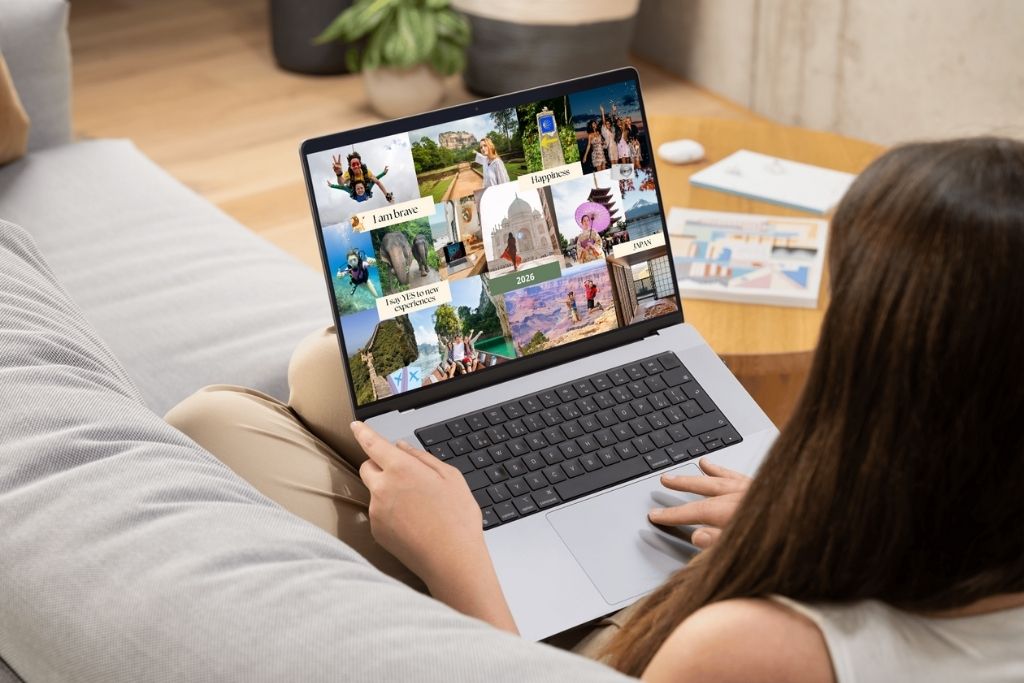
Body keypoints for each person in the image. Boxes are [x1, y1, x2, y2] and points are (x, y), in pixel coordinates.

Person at [168, 138, 1024, 682]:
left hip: (568, 640)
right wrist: (804, 520)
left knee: (214, 426)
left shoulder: (753, 651)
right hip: (796, 564)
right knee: (329, 370)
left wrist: (457, 559)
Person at [328, 151, 394, 203]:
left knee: (371, 181)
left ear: (360, 164)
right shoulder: (348, 174)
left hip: (365, 191)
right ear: (350, 166)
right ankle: (363, 195)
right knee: (348, 184)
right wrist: (339, 174)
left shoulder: (366, 172)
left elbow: (377, 181)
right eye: (353, 165)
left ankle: (367, 195)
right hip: (355, 192)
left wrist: (386, 194)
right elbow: (341, 184)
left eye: (357, 164)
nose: (356, 166)